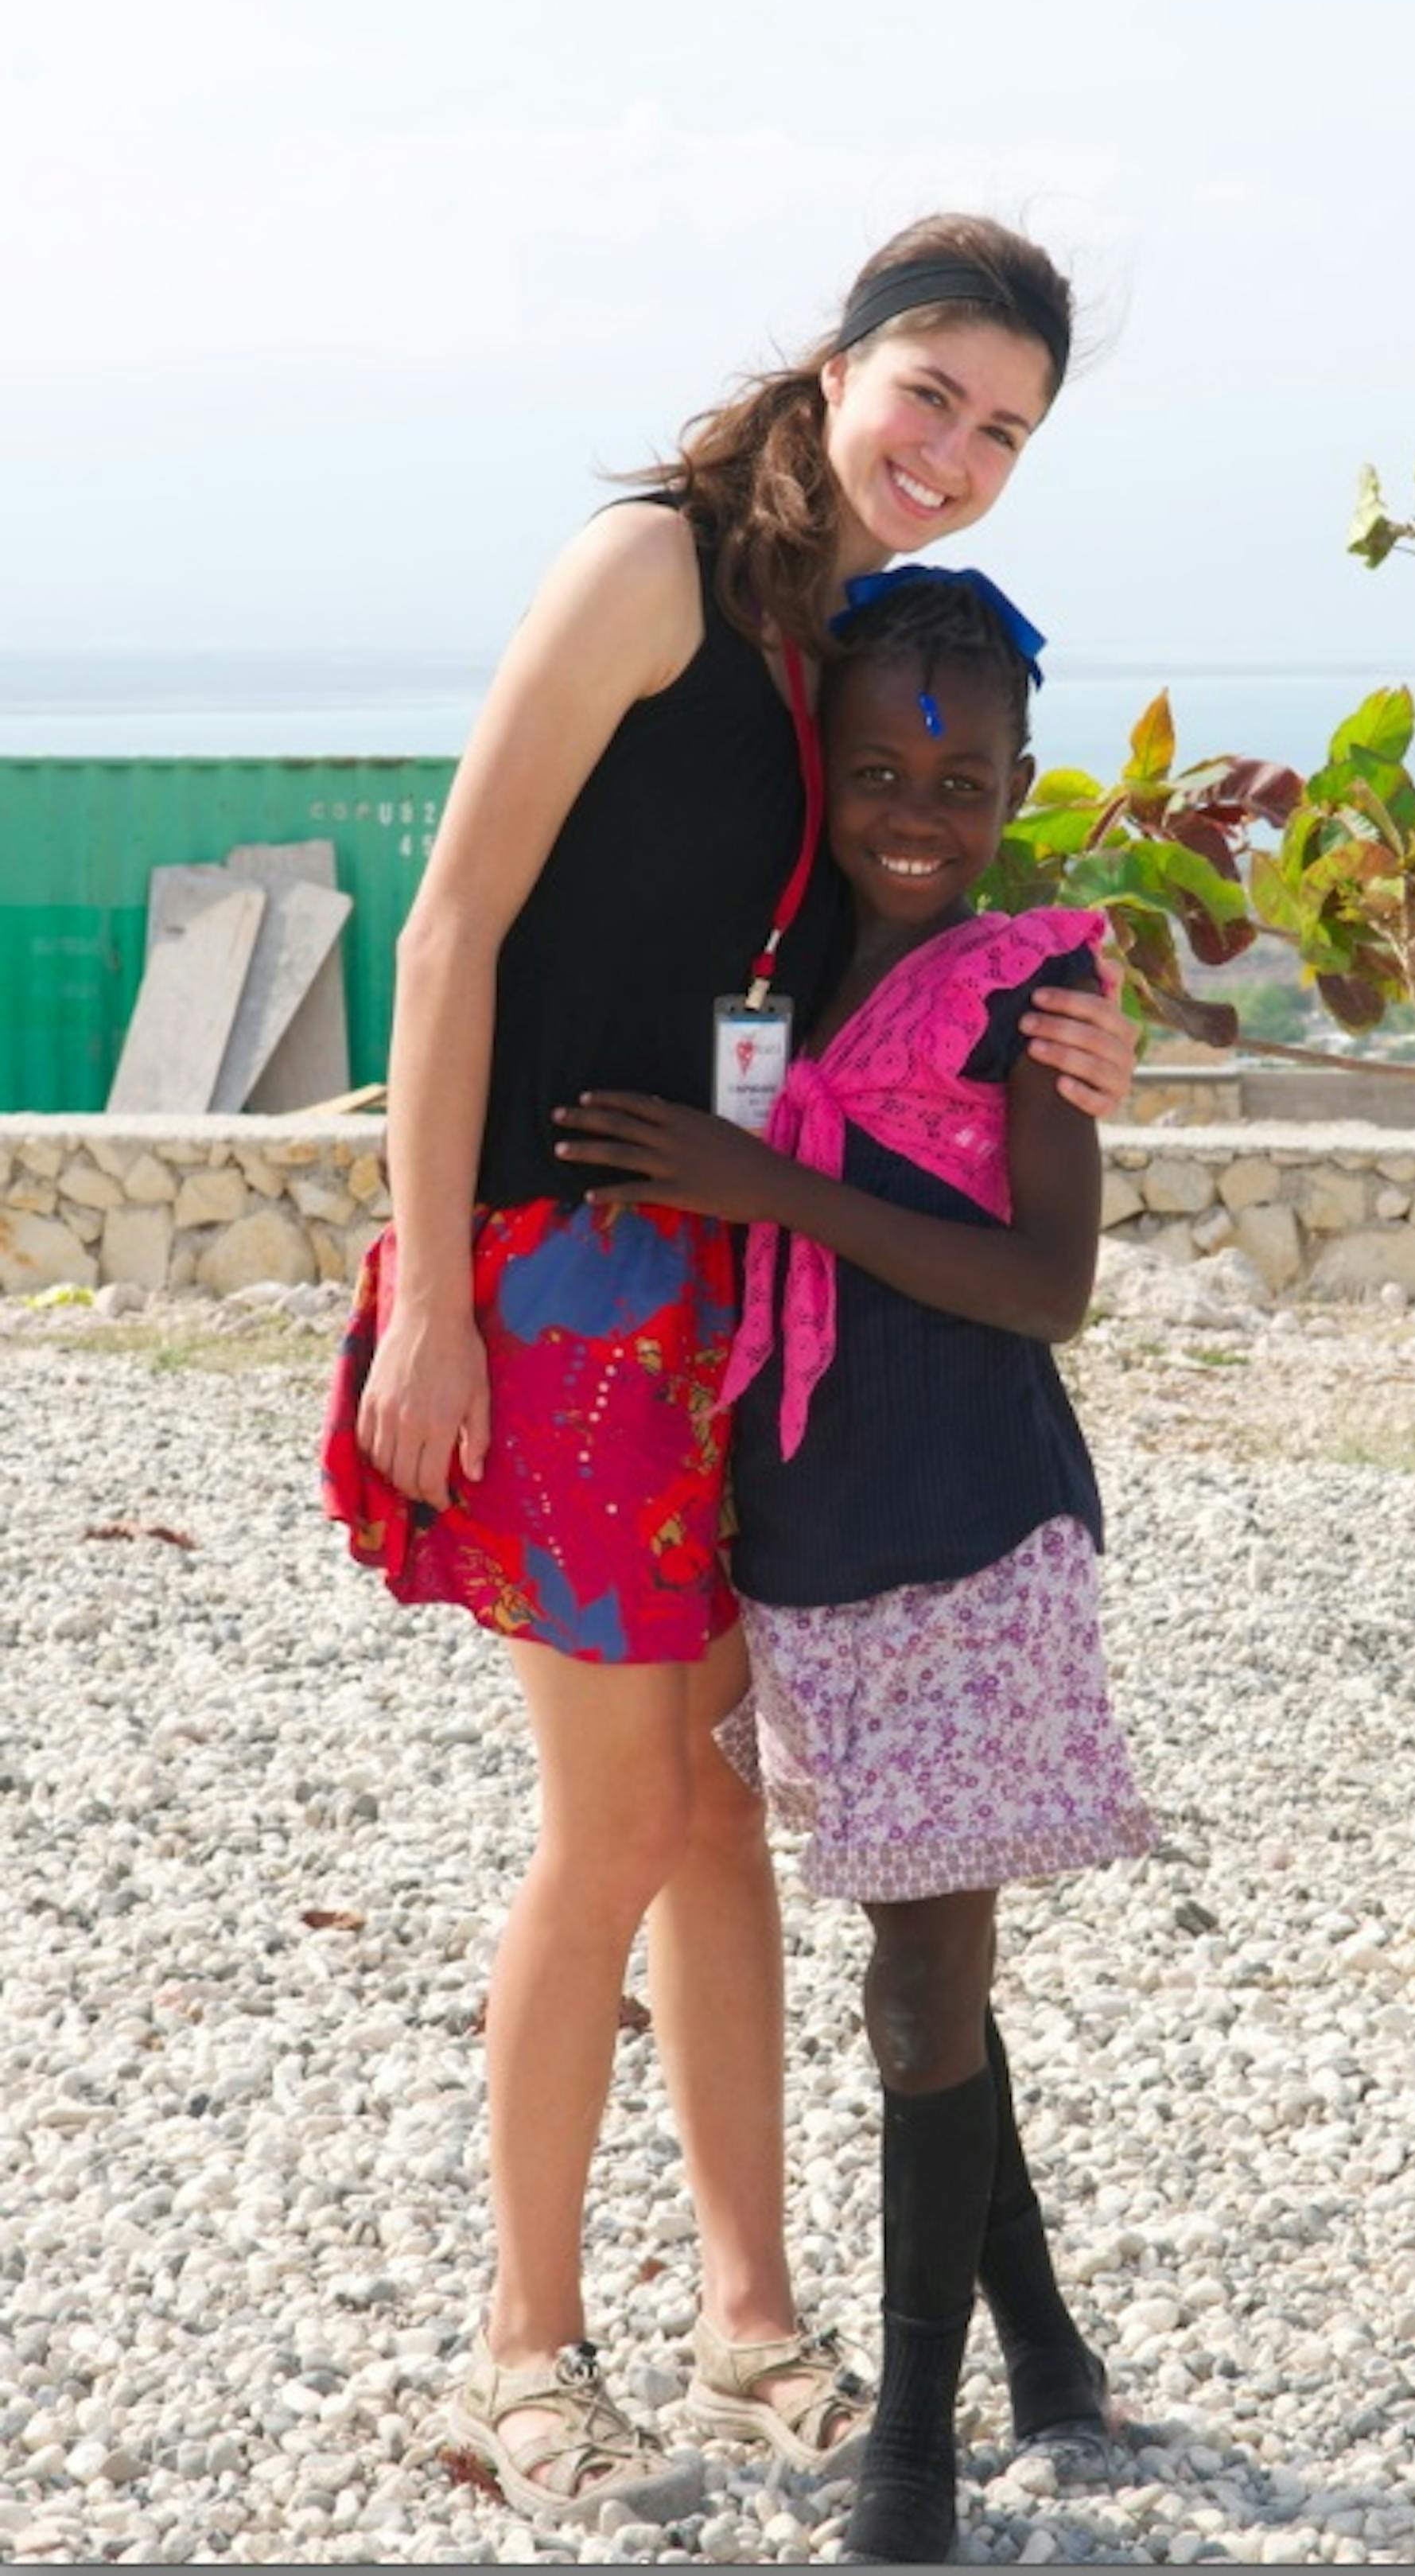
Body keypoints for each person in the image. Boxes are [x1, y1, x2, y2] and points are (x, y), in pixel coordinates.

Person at [321, 214, 1140, 2529]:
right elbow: (456, 917)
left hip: (714, 1280)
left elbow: (920, 867)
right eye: (935, 397)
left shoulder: (839, 629)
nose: (957, 454)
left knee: (716, 1827)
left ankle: (752, 2315)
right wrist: (439, 1291)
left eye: (1005, 434)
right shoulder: (653, 571)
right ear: (848, 358)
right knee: (615, 1828)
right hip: (554, 1274)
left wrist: (1079, 1022)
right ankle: (520, 2353)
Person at [554, 569, 1156, 2563]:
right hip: (805, 1531)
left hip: (965, 1530)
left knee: (915, 1977)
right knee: (927, 1946)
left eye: (962, 778)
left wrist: (768, 1184)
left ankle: (912, 2449)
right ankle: (1052, 2355)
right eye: (881, 766)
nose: (918, 807)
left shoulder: (1027, 989)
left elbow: (1049, 1282)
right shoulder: (783, 970)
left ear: (1016, 788)